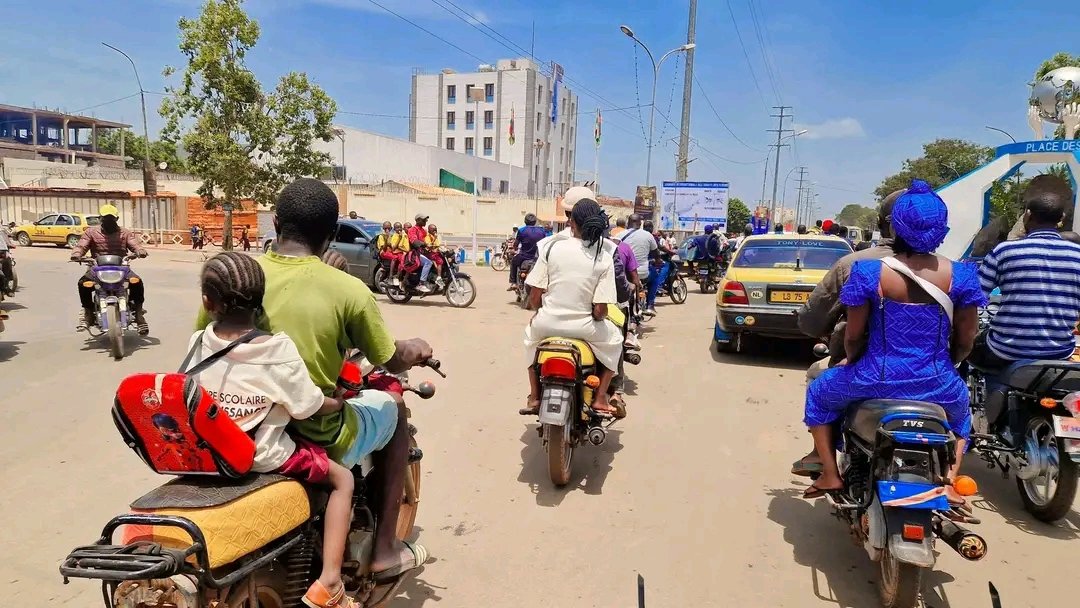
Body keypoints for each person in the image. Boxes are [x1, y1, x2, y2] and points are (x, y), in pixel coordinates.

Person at [194, 178, 432, 584]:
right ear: (333, 234)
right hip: (313, 431)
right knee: (394, 407)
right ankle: (386, 551)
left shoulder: (239, 278)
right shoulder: (348, 289)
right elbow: (390, 359)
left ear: (276, 222)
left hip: (229, 426)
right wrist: (416, 347)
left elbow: (210, 343)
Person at [189, 252, 360, 608]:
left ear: (208, 302)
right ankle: (330, 582)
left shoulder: (198, 343)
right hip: (263, 458)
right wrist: (339, 402)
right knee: (343, 480)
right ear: (261, 298)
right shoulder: (276, 349)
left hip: (209, 454)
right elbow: (309, 405)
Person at [795, 180, 984, 497]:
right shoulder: (962, 275)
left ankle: (829, 473)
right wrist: (945, 365)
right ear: (942, 228)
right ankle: (950, 481)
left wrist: (850, 361)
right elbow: (966, 339)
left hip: (874, 377)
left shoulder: (869, 272)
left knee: (818, 392)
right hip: (938, 382)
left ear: (896, 227)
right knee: (963, 417)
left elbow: (853, 337)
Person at [523, 198, 623, 415]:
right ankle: (600, 398)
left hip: (547, 325)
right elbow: (600, 309)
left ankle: (534, 396)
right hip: (584, 328)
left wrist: (539, 313)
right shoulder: (603, 256)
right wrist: (598, 317)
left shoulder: (552, 248)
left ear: (572, 223)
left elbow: (534, 297)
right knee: (616, 340)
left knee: (531, 342)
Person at [971, 175, 1080, 370]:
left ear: (1027, 215)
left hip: (1005, 351)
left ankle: (975, 397)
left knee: (966, 346)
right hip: (1061, 352)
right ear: (1061, 219)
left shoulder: (1004, 251)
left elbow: (973, 296)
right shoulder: (1077, 255)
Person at [797, 189, 905, 378]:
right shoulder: (949, 271)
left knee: (815, 380)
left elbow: (812, 322)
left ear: (880, 224)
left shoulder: (854, 266)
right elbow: (964, 340)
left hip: (859, 372)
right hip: (932, 379)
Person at [71, 204, 149, 334]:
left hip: (121, 268)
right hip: (97, 268)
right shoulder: (91, 232)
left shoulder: (125, 233)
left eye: (111, 218)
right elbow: (82, 245)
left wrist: (140, 250)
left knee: (137, 281)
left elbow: (134, 244)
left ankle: (139, 314)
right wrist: (77, 254)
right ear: (100, 219)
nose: (108, 221)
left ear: (116, 219)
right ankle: (88, 313)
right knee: (83, 284)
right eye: (106, 218)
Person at [615, 213, 657, 314]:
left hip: (624, 273)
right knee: (655, 277)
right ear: (640, 223)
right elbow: (656, 253)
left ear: (628, 223)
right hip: (642, 273)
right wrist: (658, 260)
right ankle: (650, 305)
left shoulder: (618, 236)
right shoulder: (648, 235)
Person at [641, 220, 676, 317]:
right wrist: (661, 258)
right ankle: (650, 305)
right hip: (645, 266)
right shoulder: (650, 237)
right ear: (651, 228)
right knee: (656, 278)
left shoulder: (629, 234)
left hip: (630, 267)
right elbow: (658, 249)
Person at [507, 213, 546, 291]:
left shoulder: (521, 230)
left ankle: (514, 282)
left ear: (525, 221)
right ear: (535, 222)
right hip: (537, 257)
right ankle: (544, 285)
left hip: (524, 256)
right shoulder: (542, 231)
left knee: (514, 262)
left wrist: (514, 248)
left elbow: (516, 244)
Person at [406, 214, 434, 292]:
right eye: (423, 220)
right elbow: (414, 242)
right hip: (414, 254)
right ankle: (421, 284)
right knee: (428, 263)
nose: (425, 221)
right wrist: (425, 244)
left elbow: (427, 240)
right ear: (418, 220)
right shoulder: (412, 230)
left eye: (426, 220)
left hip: (421, 252)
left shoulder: (423, 231)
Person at [0, 221, 15, 296]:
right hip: (3, 250)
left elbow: (6, 238)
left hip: (2, 250)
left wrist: (9, 244)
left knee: (7, 263)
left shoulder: (2, 230)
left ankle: (6, 287)